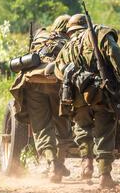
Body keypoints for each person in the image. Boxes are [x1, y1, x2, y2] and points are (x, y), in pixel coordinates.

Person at [54, 14, 120, 189]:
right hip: (101, 93)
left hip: (76, 97)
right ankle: (105, 175)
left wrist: (78, 79)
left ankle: (86, 163)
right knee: (105, 129)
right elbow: (116, 57)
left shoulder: (67, 47)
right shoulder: (100, 34)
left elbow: (58, 71)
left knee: (82, 128)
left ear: (71, 31)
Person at [9, 15, 73, 183]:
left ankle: (53, 165)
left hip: (33, 83)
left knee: (41, 126)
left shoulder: (42, 37)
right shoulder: (71, 42)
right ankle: (58, 164)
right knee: (63, 123)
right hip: (57, 84)